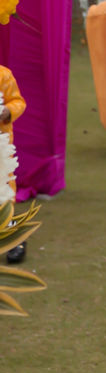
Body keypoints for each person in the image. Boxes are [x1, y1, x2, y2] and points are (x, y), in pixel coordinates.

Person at [0, 63, 26, 263]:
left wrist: (8, 111)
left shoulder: (3, 75)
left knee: (3, 189)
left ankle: (13, 236)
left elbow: (18, 101)